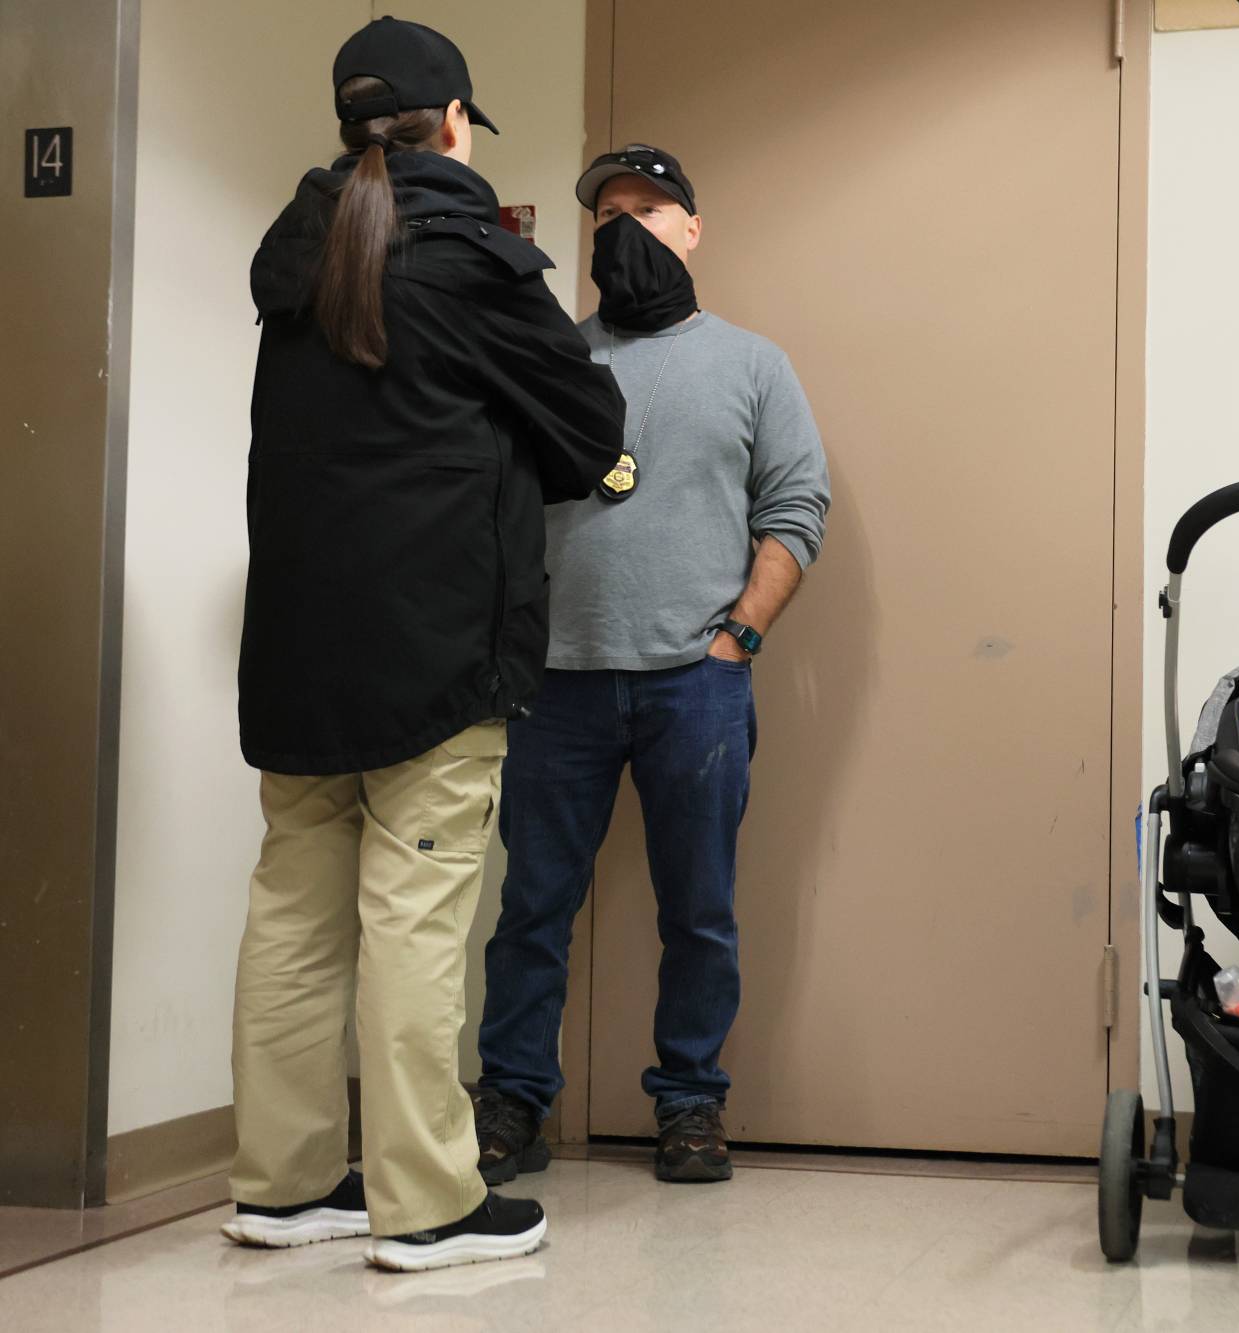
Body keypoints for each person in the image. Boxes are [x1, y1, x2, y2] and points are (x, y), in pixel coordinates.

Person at [223, 17, 624, 1273]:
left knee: (293, 912)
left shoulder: (297, 256)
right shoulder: (472, 261)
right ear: (454, 122)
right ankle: (428, 1201)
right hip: (434, 648)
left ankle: (281, 1186)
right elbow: (589, 421)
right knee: (415, 917)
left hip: (295, 647)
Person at [472, 144, 830, 1186]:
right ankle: (511, 1104)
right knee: (533, 907)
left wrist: (738, 639)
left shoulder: (754, 364)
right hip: (557, 685)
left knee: (699, 909)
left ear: (691, 229)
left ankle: (688, 1105)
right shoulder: (552, 357)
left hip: (696, 686)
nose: (624, 226)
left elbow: (797, 508)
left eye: (648, 208)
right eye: (607, 212)